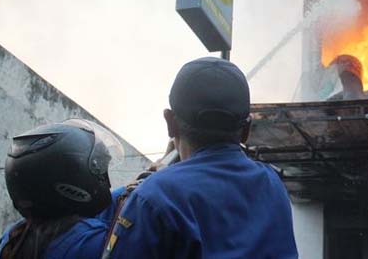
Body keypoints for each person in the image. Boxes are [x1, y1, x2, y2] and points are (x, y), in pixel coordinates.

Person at [103, 57, 298, 259]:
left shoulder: (154, 197)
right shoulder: (272, 184)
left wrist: (158, 180)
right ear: (246, 130)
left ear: (170, 122)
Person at [0, 119, 125, 259]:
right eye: (99, 170)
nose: (105, 179)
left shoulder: (14, 237)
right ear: (73, 177)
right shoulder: (87, 242)